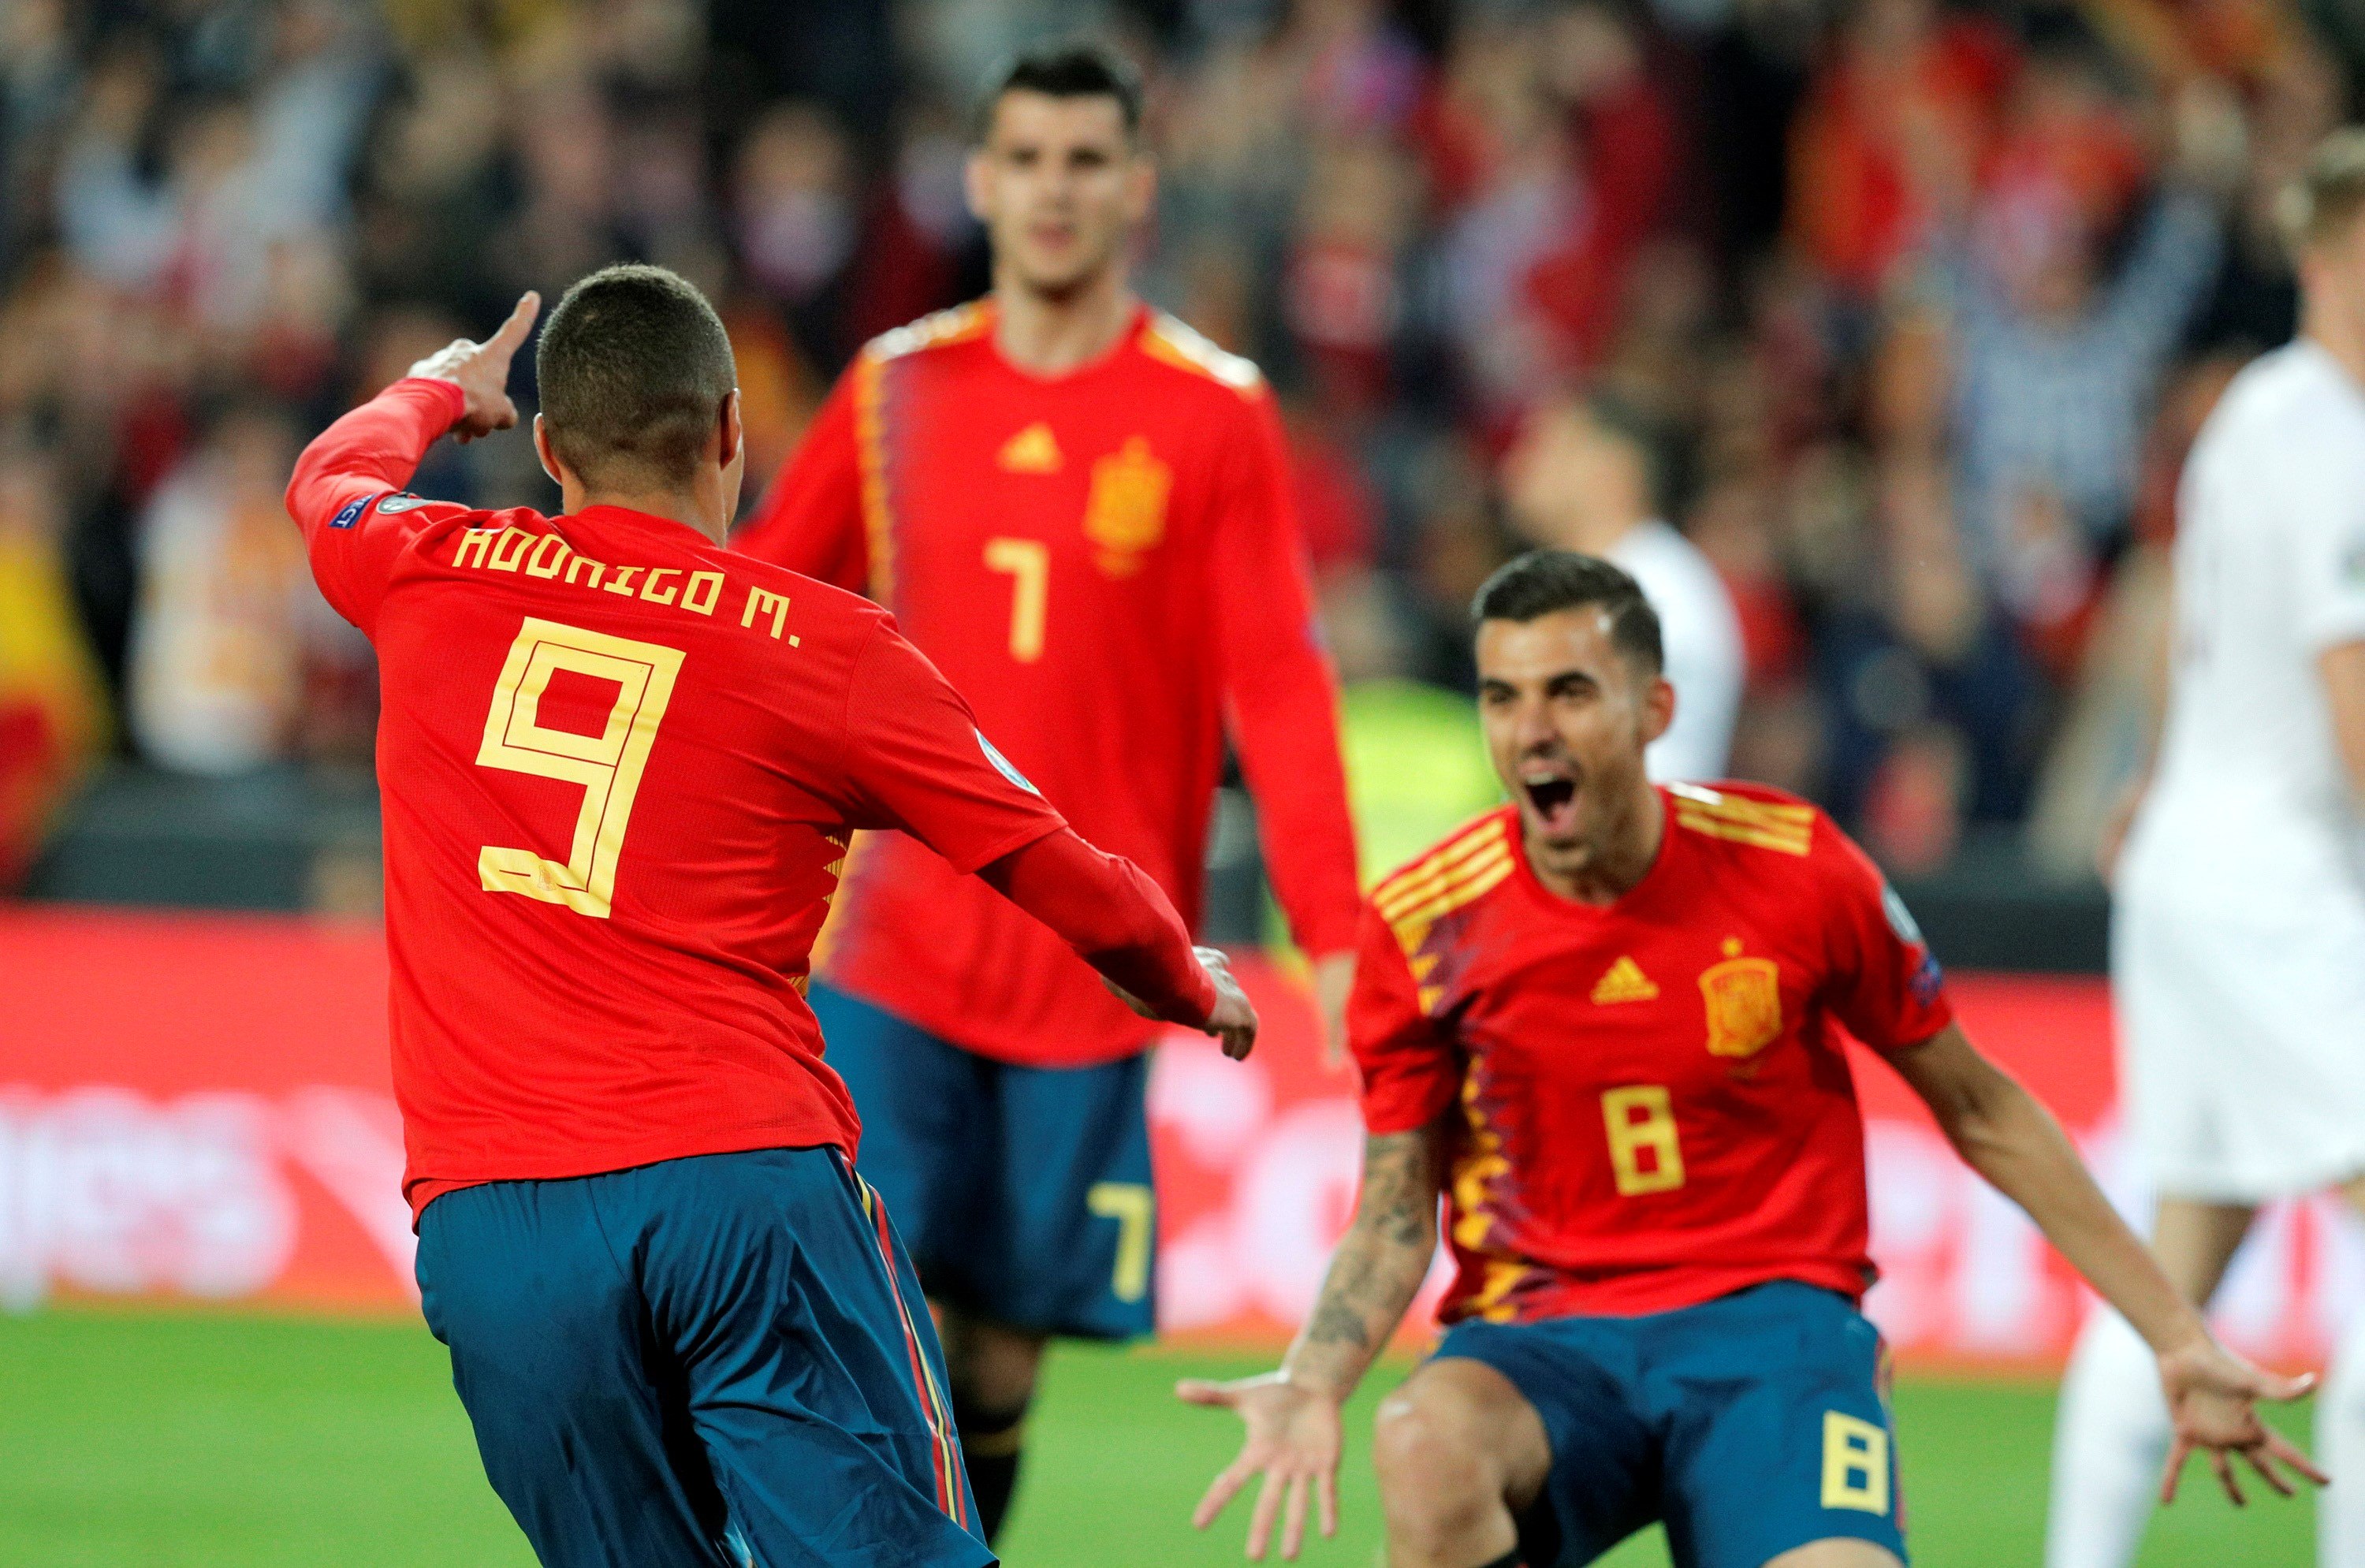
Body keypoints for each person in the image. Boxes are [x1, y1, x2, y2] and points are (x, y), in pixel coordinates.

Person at [282, 263, 1258, 1568]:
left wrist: (434, 389)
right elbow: (1041, 849)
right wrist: (1180, 973)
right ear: (733, 431)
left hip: (497, 1226)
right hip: (740, 1188)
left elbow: (328, 481)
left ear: (552, 447)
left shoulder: (426, 567)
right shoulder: (825, 647)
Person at [1182, 550, 2322, 1568]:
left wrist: (2177, 1335)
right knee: (1421, 1446)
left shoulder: (1796, 870)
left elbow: (1981, 1109)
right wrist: (1314, 1379)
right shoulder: (1427, 923)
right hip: (1545, 1343)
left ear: (1655, 709)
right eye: (1502, 695)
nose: (1532, 729)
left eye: (1570, 691)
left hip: (1775, 1339)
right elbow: (1396, 1207)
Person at [732, 40, 1362, 1542]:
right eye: (1025, 159)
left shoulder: (1212, 410)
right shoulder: (895, 390)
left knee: (1000, 1356)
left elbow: (1277, 681)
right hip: (891, 946)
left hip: (1096, 963)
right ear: (979, 180)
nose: (1053, 190)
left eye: (1086, 160)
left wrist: (1335, 933)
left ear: (1138, 185)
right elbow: (751, 612)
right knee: (863, 1321)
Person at [2047, 128, 2365, 1568]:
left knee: (2181, 1259)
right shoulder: (2338, 438)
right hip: (2280, 887)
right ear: (2325, 257)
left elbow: (2186, 601)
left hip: (2193, 867)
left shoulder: (2253, 405)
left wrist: (2156, 772)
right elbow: (2352, 696)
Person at [1501, 393, 1742, 782]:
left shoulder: (1658, 592)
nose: (1516, 467)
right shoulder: (1607, 583)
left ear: (1610, 470)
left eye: (1545, 448)